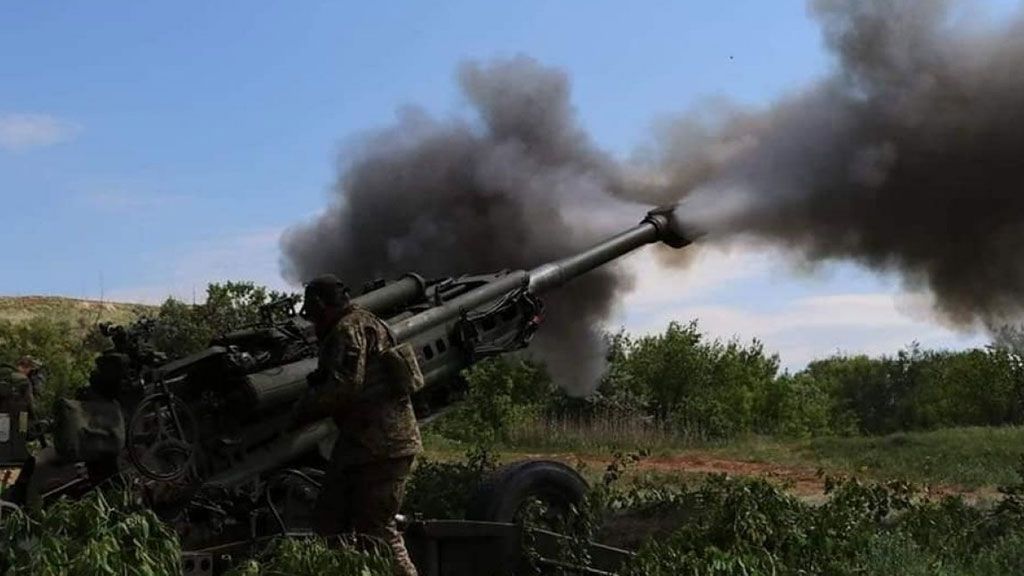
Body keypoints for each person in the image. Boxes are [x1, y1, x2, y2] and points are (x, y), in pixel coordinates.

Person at [293, 274, 423, 576]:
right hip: (366, 444)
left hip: (380, 445)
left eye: (313, 313)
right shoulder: (370, 322)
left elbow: (343, 387)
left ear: (320, 304)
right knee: (330, 519)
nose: (313, 322)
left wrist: (300, 412)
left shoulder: (348, 329)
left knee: (376, 532)